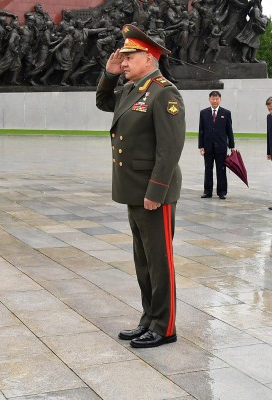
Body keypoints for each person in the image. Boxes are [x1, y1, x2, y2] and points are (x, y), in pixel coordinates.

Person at [95, 24, 184, 349]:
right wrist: (109, 73)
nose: (125, 61)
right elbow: (104, 101)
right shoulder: (134, 90)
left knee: (160, 262)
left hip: (153, 193)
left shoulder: (164, 93)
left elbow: (170, 148)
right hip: (135, 190)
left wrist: (155, 192)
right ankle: (149, 318)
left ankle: (165, 326)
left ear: (149, 58)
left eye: (130, 56)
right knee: (143, 260)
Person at [198, 91, 235, 199]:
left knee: (221, 170)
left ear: (220, 99)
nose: (215, 101)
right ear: (209, 99)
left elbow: (229, 130)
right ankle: (207, 191)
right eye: (213, 99)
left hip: (221, 147)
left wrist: (232, 145)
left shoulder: (226, 113)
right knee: (208, 169)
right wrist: (201, 146)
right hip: (208, 147)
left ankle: (222, 192)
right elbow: (201, 130)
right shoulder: (203, 113)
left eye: (217, 99)